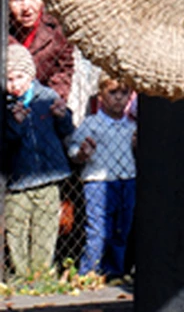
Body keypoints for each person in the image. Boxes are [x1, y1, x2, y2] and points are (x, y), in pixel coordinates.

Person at [3, 43, 73, 278]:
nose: (15, 84)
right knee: (17, 227)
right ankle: (21, 272)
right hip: (18, 178)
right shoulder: (6, 107)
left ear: (31, 75)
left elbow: (66, 129)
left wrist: (63, 115)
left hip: (47, 174)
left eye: (20, 77)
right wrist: (16, 124)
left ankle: (41, 273)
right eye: (9, 79)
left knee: (46, 227)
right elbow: (6, 141)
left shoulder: (47, 97)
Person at [67, 75, 137, 279]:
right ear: (101, 96)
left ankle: (114, 271)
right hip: (98, 181)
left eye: (124, 93)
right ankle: (89, 271)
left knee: (121, 230)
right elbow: (73, 148)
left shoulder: (132, 126)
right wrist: (82, 153)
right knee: (97, 231)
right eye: (112, 93)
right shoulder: (92, 124)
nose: (118, 98)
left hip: (127, 179)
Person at [8, 0, 74, 102]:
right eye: (17, 0)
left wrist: (52, 100)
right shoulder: (5, 28)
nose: (26, 7)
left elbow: (63, 71)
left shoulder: (56, 28)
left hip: (43, 100)